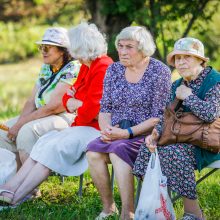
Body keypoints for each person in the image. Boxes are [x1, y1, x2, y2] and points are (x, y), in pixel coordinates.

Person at [0, 22, 113, 206]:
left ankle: (16, 197)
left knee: (47, 147)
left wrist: (75, 103)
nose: (73, 53)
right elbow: (69, 99)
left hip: (93, 128)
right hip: (80, 124)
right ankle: (10, 188)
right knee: (44, 143)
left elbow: (85, 112)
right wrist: (75, 103)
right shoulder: (87, 65)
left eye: (47, 47)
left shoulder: (101, 67)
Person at [86, 26, 171, 220]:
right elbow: (105, 108)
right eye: (120, 46)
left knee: (118, 151)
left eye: (129, 47)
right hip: (117, 131)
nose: (123, 52)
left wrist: (126, 133)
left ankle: (128, 212)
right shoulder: (113, 69)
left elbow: (160, 116)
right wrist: (107, 130)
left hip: (147, 135)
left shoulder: (159, 71)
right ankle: (108, 208)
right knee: (92, 152)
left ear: (143, 49)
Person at [133, 37, 220, 220]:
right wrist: (155, 133)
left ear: (201, 60)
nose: (181, 62)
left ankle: (193, 214)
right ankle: (160, 205)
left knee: (174, 152)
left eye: (186, 57)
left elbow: (211, 114)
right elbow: (167, 115)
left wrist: (188, 97)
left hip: (208, 142)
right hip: (183, 138)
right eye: (177, 58)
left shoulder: (215, 81)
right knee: (146, 151)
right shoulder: (177, 84)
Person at [0, 27, 80, 168]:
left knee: (26, 133)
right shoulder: (46, 67)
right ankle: (14, 180)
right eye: (41, 47)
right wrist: (18, 122)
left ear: (63, 50)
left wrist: (20, 125)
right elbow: (31, 101)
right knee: (3, 133)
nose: (43, 50)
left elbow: (54, 106)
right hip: (40, 114)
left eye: (47, 47)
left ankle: (31, 186)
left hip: (65, 116)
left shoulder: (73, 68)